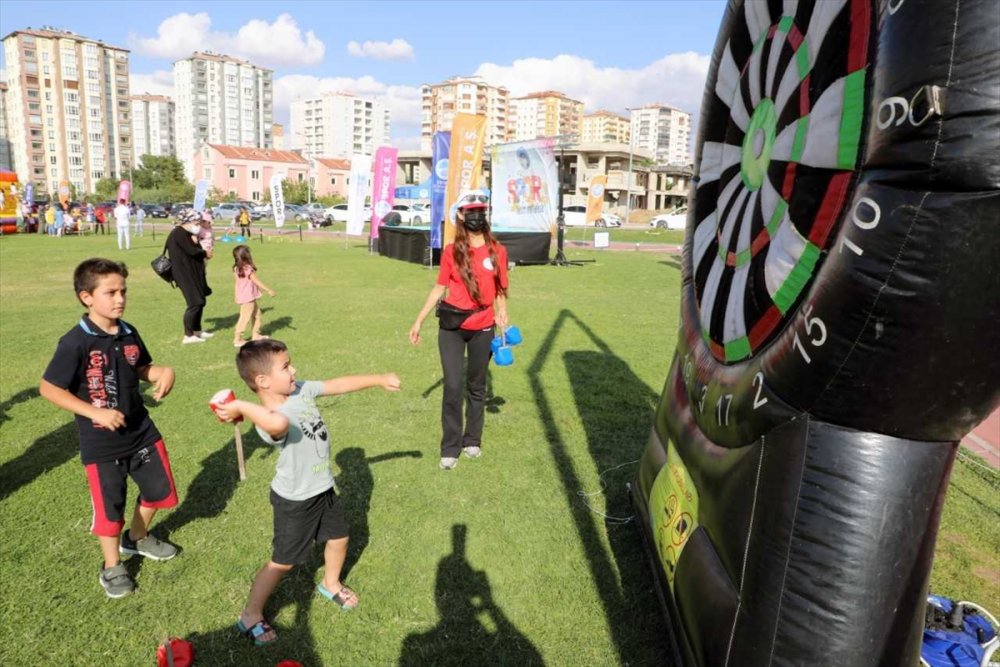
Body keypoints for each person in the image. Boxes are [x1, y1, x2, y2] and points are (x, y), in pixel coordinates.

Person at [213, 339, 400, 646]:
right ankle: (251, 614)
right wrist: (241, 408)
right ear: (262, 381)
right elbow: (278, 423)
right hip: (294, 501)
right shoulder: (266, 418)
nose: (294, 369)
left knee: (339, 538)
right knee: (283, 561)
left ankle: (330, 582)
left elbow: (337, 384)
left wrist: (378, 379)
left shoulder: (300, 389)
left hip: (323, 489)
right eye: (286, 366)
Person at [38, 258, 179, 598]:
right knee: (110, 507)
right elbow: (49, 388)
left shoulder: (129, 332)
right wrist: (95, 413)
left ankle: (138, 538)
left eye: (123, 291)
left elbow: (141, 367)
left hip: (141, 430)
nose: (120, 299)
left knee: (159, 492)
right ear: (87, 297)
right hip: (102, 443)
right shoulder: (75, 341)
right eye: (110, 292)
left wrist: (164, 372)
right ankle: (112, 565)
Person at [409, 193, 509, 470]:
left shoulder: (497, 250)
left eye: (481, 210)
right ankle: (450, 447)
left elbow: (500, 287)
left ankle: (472, 440)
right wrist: (418, 320)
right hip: (452, 328)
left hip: (483, 327)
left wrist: (502, 310)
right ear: (461, 215)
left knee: (477, 387)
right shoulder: (452, 251)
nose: (477, 215)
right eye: (471, 211)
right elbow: (440, 287)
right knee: (452, 386)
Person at [166, 209, 214, 344]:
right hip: (184, 274)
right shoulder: (178, 233)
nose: (198, 224)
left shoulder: (187, 233)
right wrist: (205, 253)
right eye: (195, 222)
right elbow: (192, 251)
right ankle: (188, 335)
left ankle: (197, 330)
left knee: (201, 300)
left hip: (193, 272)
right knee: (195, 302)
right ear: (186, 221)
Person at [232, 244, 276, 347]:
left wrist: (236, 295)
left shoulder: (236, 268)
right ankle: (237, 339)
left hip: (246, 296)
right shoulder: (247, 268)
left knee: (257, 314)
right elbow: (256, 281)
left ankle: (255, 335)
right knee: (245, 318)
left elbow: (236, 283)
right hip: (248, 298)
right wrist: (268, 290)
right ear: (246, 256)